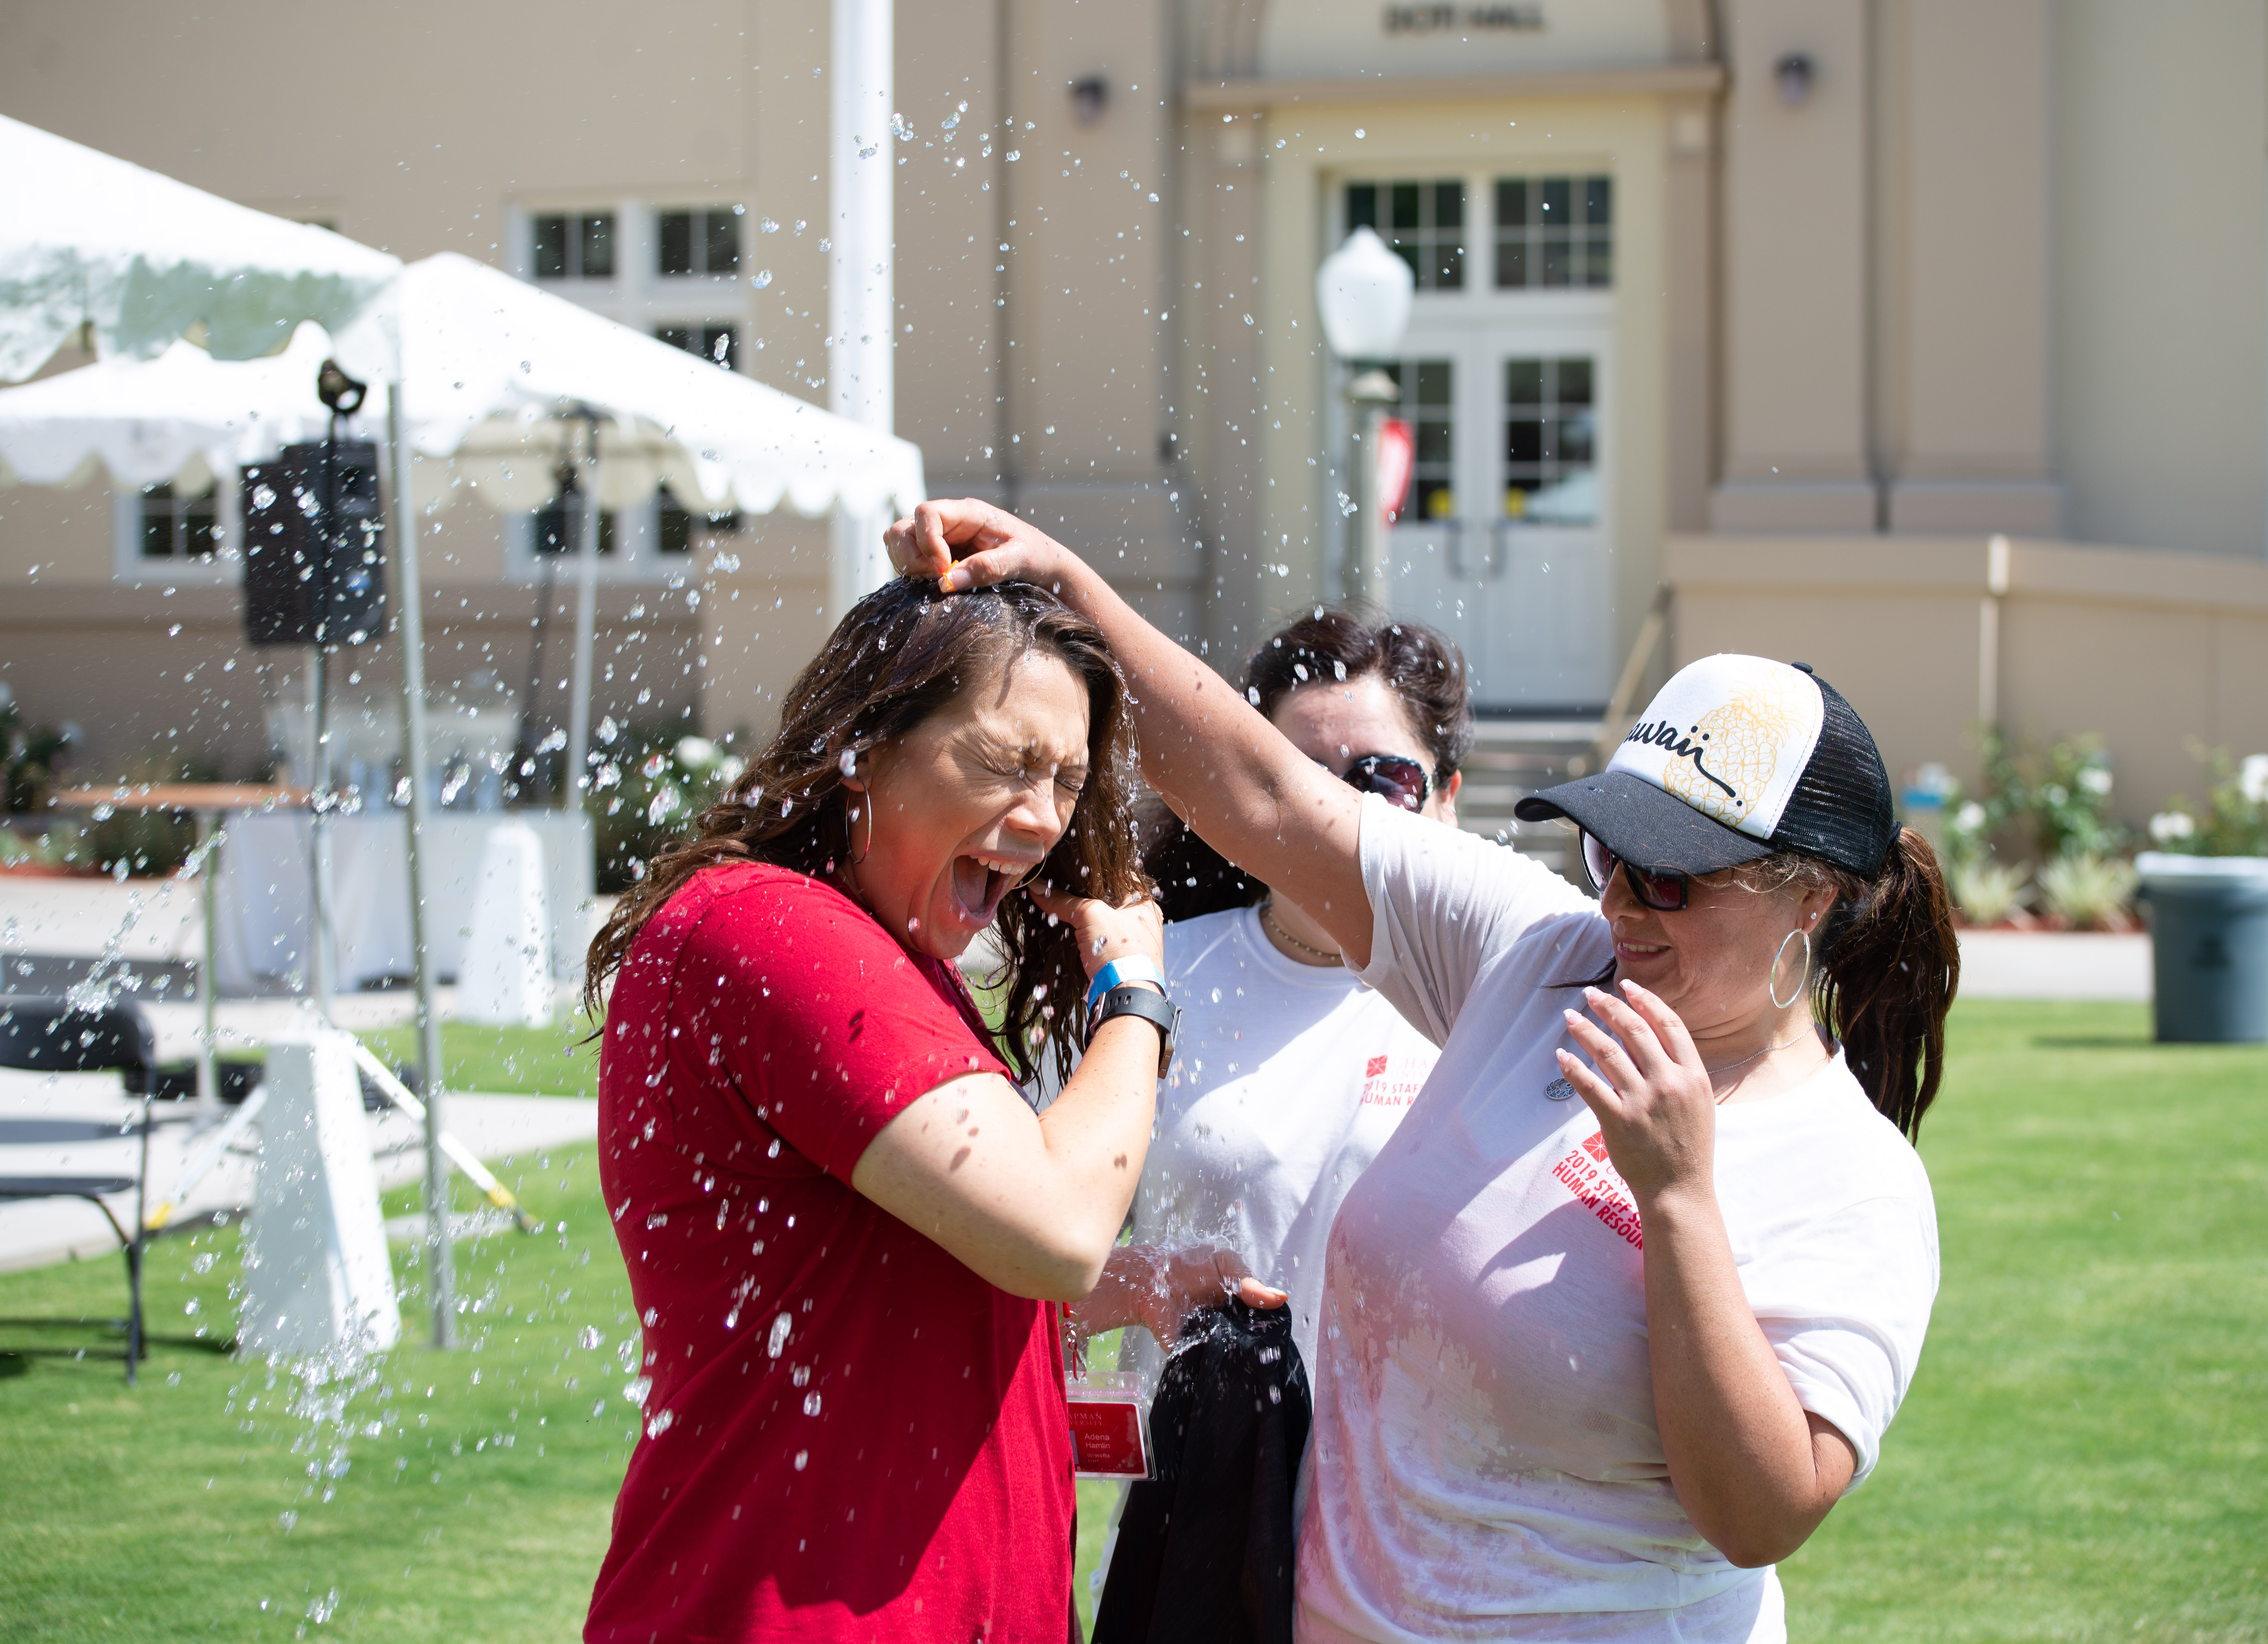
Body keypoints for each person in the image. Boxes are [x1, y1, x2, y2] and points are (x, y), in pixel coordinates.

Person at [888, 499, 1959, 1644]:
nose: (1619, 904)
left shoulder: (1851, 1178)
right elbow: (1264, 794)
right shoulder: (1540, 957)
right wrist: (1062, 585)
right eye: (1609, 852)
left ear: (1813, 897)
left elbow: (1760, 1513)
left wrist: (1680, 1201)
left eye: (1672, 877)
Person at [580, 574, 1181, 1643]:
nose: (1043, 818)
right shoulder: (771, 929)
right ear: (863, 743)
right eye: (1003, 762)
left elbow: (888, 1279)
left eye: (1068, 781)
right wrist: (1133, 993)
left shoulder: (889, 953)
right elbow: (1056, 1230)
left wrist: (1149, 1285)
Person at [1068, 608, 1470, 1394]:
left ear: (1446, 797)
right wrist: (1141, 1280)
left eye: (1383, 781)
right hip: (1198, 1470)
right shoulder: (1154, 973)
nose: (1338, 815)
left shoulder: (1497, 1001)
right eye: (1299, 779)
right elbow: (1011, 1263)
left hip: (1416, 1480)